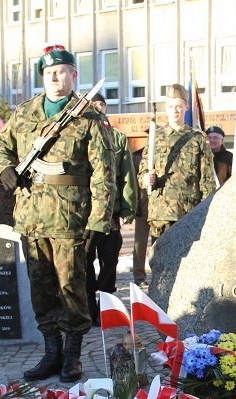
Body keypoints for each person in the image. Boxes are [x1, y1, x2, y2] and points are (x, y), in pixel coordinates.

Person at [0, 44, 116, 383]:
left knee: (72, 287)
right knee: (41, 288)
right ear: (42, 77)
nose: (55, 77)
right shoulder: (26, 112)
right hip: (31, 216)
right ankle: (51, 352)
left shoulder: (89, 117)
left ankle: (72, 356)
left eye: (61, 71)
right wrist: (4, 169)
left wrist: (99, 218)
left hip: (69, 218)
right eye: (48, 73)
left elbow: (104, 172)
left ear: (73, 75)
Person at [139, 84, 216, 244]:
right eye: (171, 106)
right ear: (165, 108)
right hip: (160, 213)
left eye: (179, 106)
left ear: (186, 107)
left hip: (187, 212)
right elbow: (142, 174)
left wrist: (206, 213)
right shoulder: (155, 138)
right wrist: (146, 180)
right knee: (161, 265)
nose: (175, 110)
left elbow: (207, 181)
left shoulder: (197, 138)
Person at [85, 92, 138, 323]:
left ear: (105, 107)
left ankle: (106, 308)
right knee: (84, 260)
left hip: (110, 211)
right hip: (85, 212)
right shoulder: (81, 136)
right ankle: (88, 307)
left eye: (101, 105)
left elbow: (127, 175)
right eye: (93, 105)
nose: (97, 108)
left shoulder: (117, 138)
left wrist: (128, 209)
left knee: (110, 261)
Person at [131, 147, 149, 286]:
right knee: (140, 243)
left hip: (162, 207)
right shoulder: (138, 156)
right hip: (143, 205)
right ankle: (139, 275)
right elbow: (133, 182)